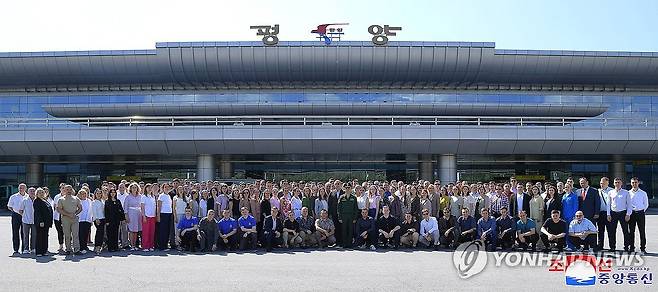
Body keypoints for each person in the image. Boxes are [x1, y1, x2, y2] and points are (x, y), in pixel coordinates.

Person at [607, 177, 632, 252]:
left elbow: (629, 204)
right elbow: (608, 204)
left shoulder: (626, 192)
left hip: (623, 213)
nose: (617, 184)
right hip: (613, 213)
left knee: (625, 231)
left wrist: (628, 214)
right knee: (612, 231)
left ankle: (626, 247)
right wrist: (608, 214)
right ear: (613, 183)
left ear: (621, 183)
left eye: (618, 182)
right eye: (616, 182)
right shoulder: (610, 192)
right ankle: (612, 247)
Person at [57, 185, 82, 255]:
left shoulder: (76, 198)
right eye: (67, 189)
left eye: (70, 189)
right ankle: (68, 249)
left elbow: (80, 208)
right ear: (64, 190)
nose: (69, 191)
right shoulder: (61, 199)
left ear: (72, 190)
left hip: (74, 219)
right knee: (67, 235)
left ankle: (76, 249)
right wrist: (68, 214)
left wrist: (75, 214)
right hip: (65, 219)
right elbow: (59, 209)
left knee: (75, 234)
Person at [628, 177, 649, 254]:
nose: (634, 184)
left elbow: (646, 204)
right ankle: (632, 248)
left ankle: (643, 248)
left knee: (642, 231)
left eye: (636, 182)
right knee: (631, 231)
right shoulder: (628, 193)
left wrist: (641, 210)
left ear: (638, 183)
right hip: (631, 214)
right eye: (633, 182)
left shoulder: (643, 193)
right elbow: (627, 204)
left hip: (640, 213)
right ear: (631, 183)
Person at [7, 183, 27, 255]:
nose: (21, 189)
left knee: (24, 233)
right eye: (20, 187)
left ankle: (24, 249)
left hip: (25, 216)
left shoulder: (28, 196)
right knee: (15, 232)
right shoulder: (13, 196)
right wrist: (15, 211)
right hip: (15, 216)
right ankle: (16, 249)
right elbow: (9, 206)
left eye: (22, 187)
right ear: (18, 188)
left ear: (25, 189)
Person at [33, 188, 53, 257]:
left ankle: (44, 251)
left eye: (42, 192)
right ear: (37, 194)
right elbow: (38, 212)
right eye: (39, 192)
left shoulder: (45, 200)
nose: (41, 194)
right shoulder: (36, 201)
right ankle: (39, 252)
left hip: (46, 222)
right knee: (39, 237)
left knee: (45, 236)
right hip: (41, 222)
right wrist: (41, 221)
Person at [124, 183, 143, 251]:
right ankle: (132, 245)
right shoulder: (128, 197)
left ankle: (135, 245)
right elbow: (125, 207)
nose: (134, 189)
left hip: (139, 214)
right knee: (132, 231)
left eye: (135, 187)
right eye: (133, 187)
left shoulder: (140, 196)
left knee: (137, 231)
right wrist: (126, 216)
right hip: (131, 214)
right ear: (130, 189)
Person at [18, 187, 36, 254]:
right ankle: (26, 249)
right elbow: (20, 210)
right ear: (28, 192)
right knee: (26, 235)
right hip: (25, 221)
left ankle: (33, 248)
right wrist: (25, 216)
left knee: (34, 235)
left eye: (33, 191)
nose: (32, 192)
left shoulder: (37, 200)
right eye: (31, 191)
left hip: (34, 221)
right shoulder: (24, 200)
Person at [597, 177, 613, 251]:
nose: (601, 184)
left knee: (610, 230)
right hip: (601, 214)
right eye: (600, 183)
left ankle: (612, 246)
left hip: (609, 213)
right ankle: (600, 246)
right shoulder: (598, 191)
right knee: (600, 231)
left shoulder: (612, 191)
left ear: (607, 183)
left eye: (603, 183)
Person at [156, 184, 173, 251]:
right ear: (163, 188)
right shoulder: (161, 196)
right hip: (163, 214)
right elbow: (159, 206)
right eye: (165, 187)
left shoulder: (168, 196)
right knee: (162, 231)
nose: (167, 188)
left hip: (169, 214)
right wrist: (158, 216)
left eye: (168, 187)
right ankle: (161, 246)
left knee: (167, 231)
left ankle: (165, 245)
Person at [77, 189, 93, 254]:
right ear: (79, 195)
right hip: (80, 220)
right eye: (82, 194)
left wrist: (91, 219)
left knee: (86, 234)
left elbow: (91, 210)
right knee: (81, 234)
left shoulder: (89, 201)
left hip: (87, 220)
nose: (83, 195)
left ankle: (85, 246)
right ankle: (81, 247)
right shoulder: (78, 201)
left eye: (85, 194)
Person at [52, 183, 65, 253]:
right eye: (62, 188)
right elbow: (54, 206)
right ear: (60, 189)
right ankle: (61, 245)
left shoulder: (69, 196)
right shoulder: (57, 197)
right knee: (59, 231)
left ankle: (68, 246)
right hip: (57, 217)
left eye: (64, 188)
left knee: (67, 232)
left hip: (66, 216)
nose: (63, 189)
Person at [116, 183, 130, 249]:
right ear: (118, 188)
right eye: (120, 187)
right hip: (117, 214)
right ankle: (117, 243)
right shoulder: (116, 195)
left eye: (123, 187)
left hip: (124, 214)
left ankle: (125, 243)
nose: (121, 188)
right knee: (117, 230)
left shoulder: (127, 195)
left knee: (125, 230)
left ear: (125, 188)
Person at [92, 190, 105, 255]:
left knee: (101, 233)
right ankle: (97, 247)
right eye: (97, 193)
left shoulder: (103, 201)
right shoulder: (94, 202)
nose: (99, 195)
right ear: (95, 194)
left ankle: (98, 246)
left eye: (100, 193)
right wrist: (96, 219)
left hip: (103, 219)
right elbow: (94, 211)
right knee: (99, 233)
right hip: (98, 219)